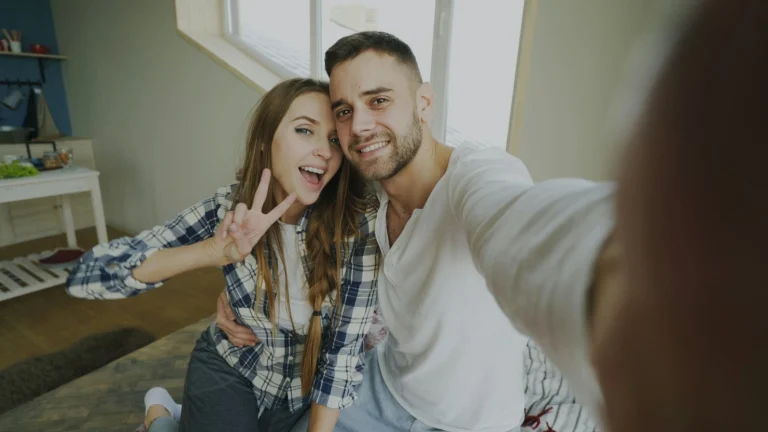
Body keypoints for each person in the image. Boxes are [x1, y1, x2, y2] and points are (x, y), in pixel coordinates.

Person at [219, 32, 600, 432]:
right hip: (381, 390)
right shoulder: (366, 194)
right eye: (344, 111)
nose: (360, 126)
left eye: (379, 101)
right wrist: (236, 284)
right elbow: (297, 237)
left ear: (424, 103)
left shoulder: (477, 176)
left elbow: (513, 220)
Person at [65, 78, 381, 432]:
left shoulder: (357, 229)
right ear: (265, 140)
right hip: (230, 371)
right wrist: (212, 252)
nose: (324, 150)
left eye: (335, 140)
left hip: (302, 394)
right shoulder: (226, 210)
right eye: (305, 130)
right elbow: (88, 276)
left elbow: (343, 354)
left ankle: (164, 417)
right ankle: (160, 414)